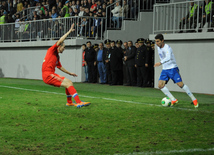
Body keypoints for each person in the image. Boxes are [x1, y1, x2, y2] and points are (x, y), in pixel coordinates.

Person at [42, 23, 91, 108]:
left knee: (68, 83)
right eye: (63, 47)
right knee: (68, 83)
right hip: (48, 75)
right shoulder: (52, 50)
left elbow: (59, 67)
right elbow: (60, 41)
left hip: (49, 74)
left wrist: (70, 73)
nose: (64, 49)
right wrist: (69, 31)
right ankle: (79, 102)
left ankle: (69, 102)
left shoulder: (57, 56)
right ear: (59, 47)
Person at [154, 34, 198, 108]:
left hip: (172, 68)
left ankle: (194, 99)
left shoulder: (167, 48)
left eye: (158, 41)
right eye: (156, 41)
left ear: (162, 41)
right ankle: (173, 99)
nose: (156, 43)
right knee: (160, 85)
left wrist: (160, 62)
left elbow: (168, 57)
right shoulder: (158, 48)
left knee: (180, 85)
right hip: (165, 69)